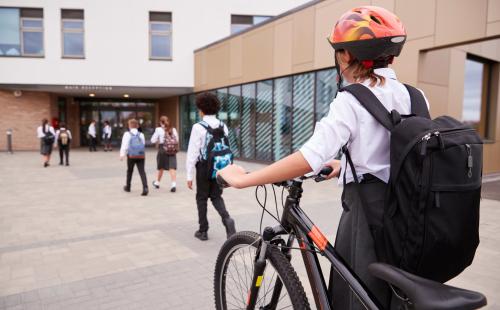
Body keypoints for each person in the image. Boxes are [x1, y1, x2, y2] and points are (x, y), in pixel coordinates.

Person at [218, 6, 424, 310]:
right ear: (390, 56)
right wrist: (346, 167)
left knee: (355, 297)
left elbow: (309, 158)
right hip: (409, 216)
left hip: (368, 218)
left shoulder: (351, 100)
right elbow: (397, 152)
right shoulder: (415, 95)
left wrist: (244, 179)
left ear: (344, 55)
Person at [186, 92, 236, 241]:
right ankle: (227, 220)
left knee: (201, 198)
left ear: (201, 109)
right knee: (216, 196)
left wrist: (189, 175)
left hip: (203, 168)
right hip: (219, 168)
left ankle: (203, 230)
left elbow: (192, 153)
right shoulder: (223, 125)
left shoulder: (198, 127)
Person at [120, 118, 148, 196]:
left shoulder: (127, 134)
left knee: (129, 171)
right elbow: (143, 144)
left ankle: (128, 187)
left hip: (131, 156)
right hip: (141, 155)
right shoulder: (141, 134)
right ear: (137, 126)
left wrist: (122, 155)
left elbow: (124, 145)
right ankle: (145, 187)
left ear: (129, 126)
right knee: (142, 171)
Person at [151, 116, 178, 192]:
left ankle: (157, 183)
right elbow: (177, 139)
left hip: (162, 149)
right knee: (172, 168)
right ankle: (173, 184)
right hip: (172, 150)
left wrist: (159, 140)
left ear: (160, 122)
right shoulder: (173, 129)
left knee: (161, 167)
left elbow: (152, 140)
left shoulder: (158, 129)